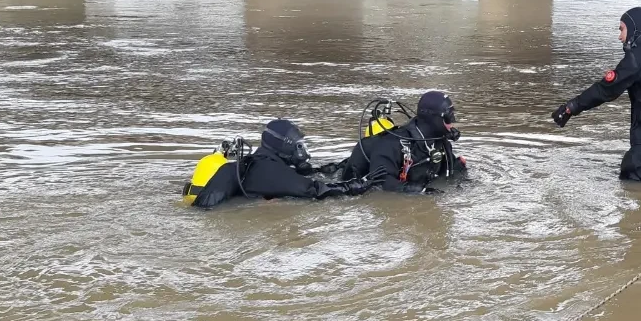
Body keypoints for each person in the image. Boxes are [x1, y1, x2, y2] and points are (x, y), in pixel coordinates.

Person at [550, 7, 641, 182]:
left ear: (634, 29)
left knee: (630, 191)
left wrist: (570, 107)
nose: (620, 37)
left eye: (622, 29)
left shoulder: (637, 57)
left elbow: (605, 90)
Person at [192, 119, 372, 208]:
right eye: (297, 145)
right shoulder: (272, 171)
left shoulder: (261, 162)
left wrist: (333, 169)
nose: (301, 150)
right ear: (284, 146)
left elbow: (297, 176)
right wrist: (357, 186)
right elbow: (314, 190)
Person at [340, 90, 467, 194]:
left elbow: (445, 175)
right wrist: (421, 192)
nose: (453, 122)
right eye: (449, 117)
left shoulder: (441, 143)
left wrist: (458, 170)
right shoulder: (391, 145)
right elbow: (381, 183)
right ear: (433, 119)